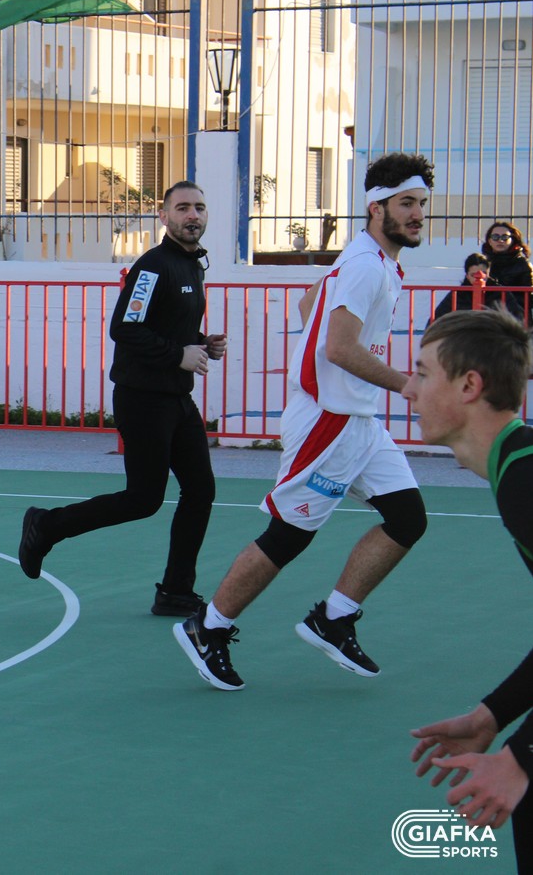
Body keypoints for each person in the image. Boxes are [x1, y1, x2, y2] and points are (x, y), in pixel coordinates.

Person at [173, 153, 434, 690]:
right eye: (406, 203)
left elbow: (307, 307)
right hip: (328, 422)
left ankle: (334, 618)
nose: (417, 214)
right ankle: (208, 627)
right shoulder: (364, 266)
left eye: (421, 204)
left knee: (407, 518)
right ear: (376, 208)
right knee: (289, 535)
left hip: (359, 421)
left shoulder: (369, 261)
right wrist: (407, 384)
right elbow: (339, 348)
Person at [17, 181, 227, 617]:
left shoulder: (193, 266)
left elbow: (164, 324)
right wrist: (179, 355)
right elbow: (126, 328)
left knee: (200, 490)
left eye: (199, 208)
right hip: (143, 398)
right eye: (182, 208)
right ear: (164, 217)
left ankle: (175, 591)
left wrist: (201, 342)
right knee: (144, 499)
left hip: (177, 398)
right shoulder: (152, 267)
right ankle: (47, 525)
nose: (193, 215)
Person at [402, 310, 533, 867]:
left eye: (422, 372)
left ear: (469, 385)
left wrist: (521, 758)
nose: (408, 389)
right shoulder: (517, 467)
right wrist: (492, 716)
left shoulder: (526, 480)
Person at [481, 221, 533, 323]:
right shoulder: (482, 263)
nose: (500, 240)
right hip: (486, 316)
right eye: (495, 237)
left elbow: (529, 297)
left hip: (516, 318)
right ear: (489, 241)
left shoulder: (522, 264)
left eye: (505, 237)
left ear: (512, 240)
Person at [431, 253, 499, 321]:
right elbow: (436, 319)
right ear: (467, 276)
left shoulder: (499, 293)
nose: (479, 277)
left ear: (488, 273)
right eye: (473, 275)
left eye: (484, 273)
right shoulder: (457, 295)